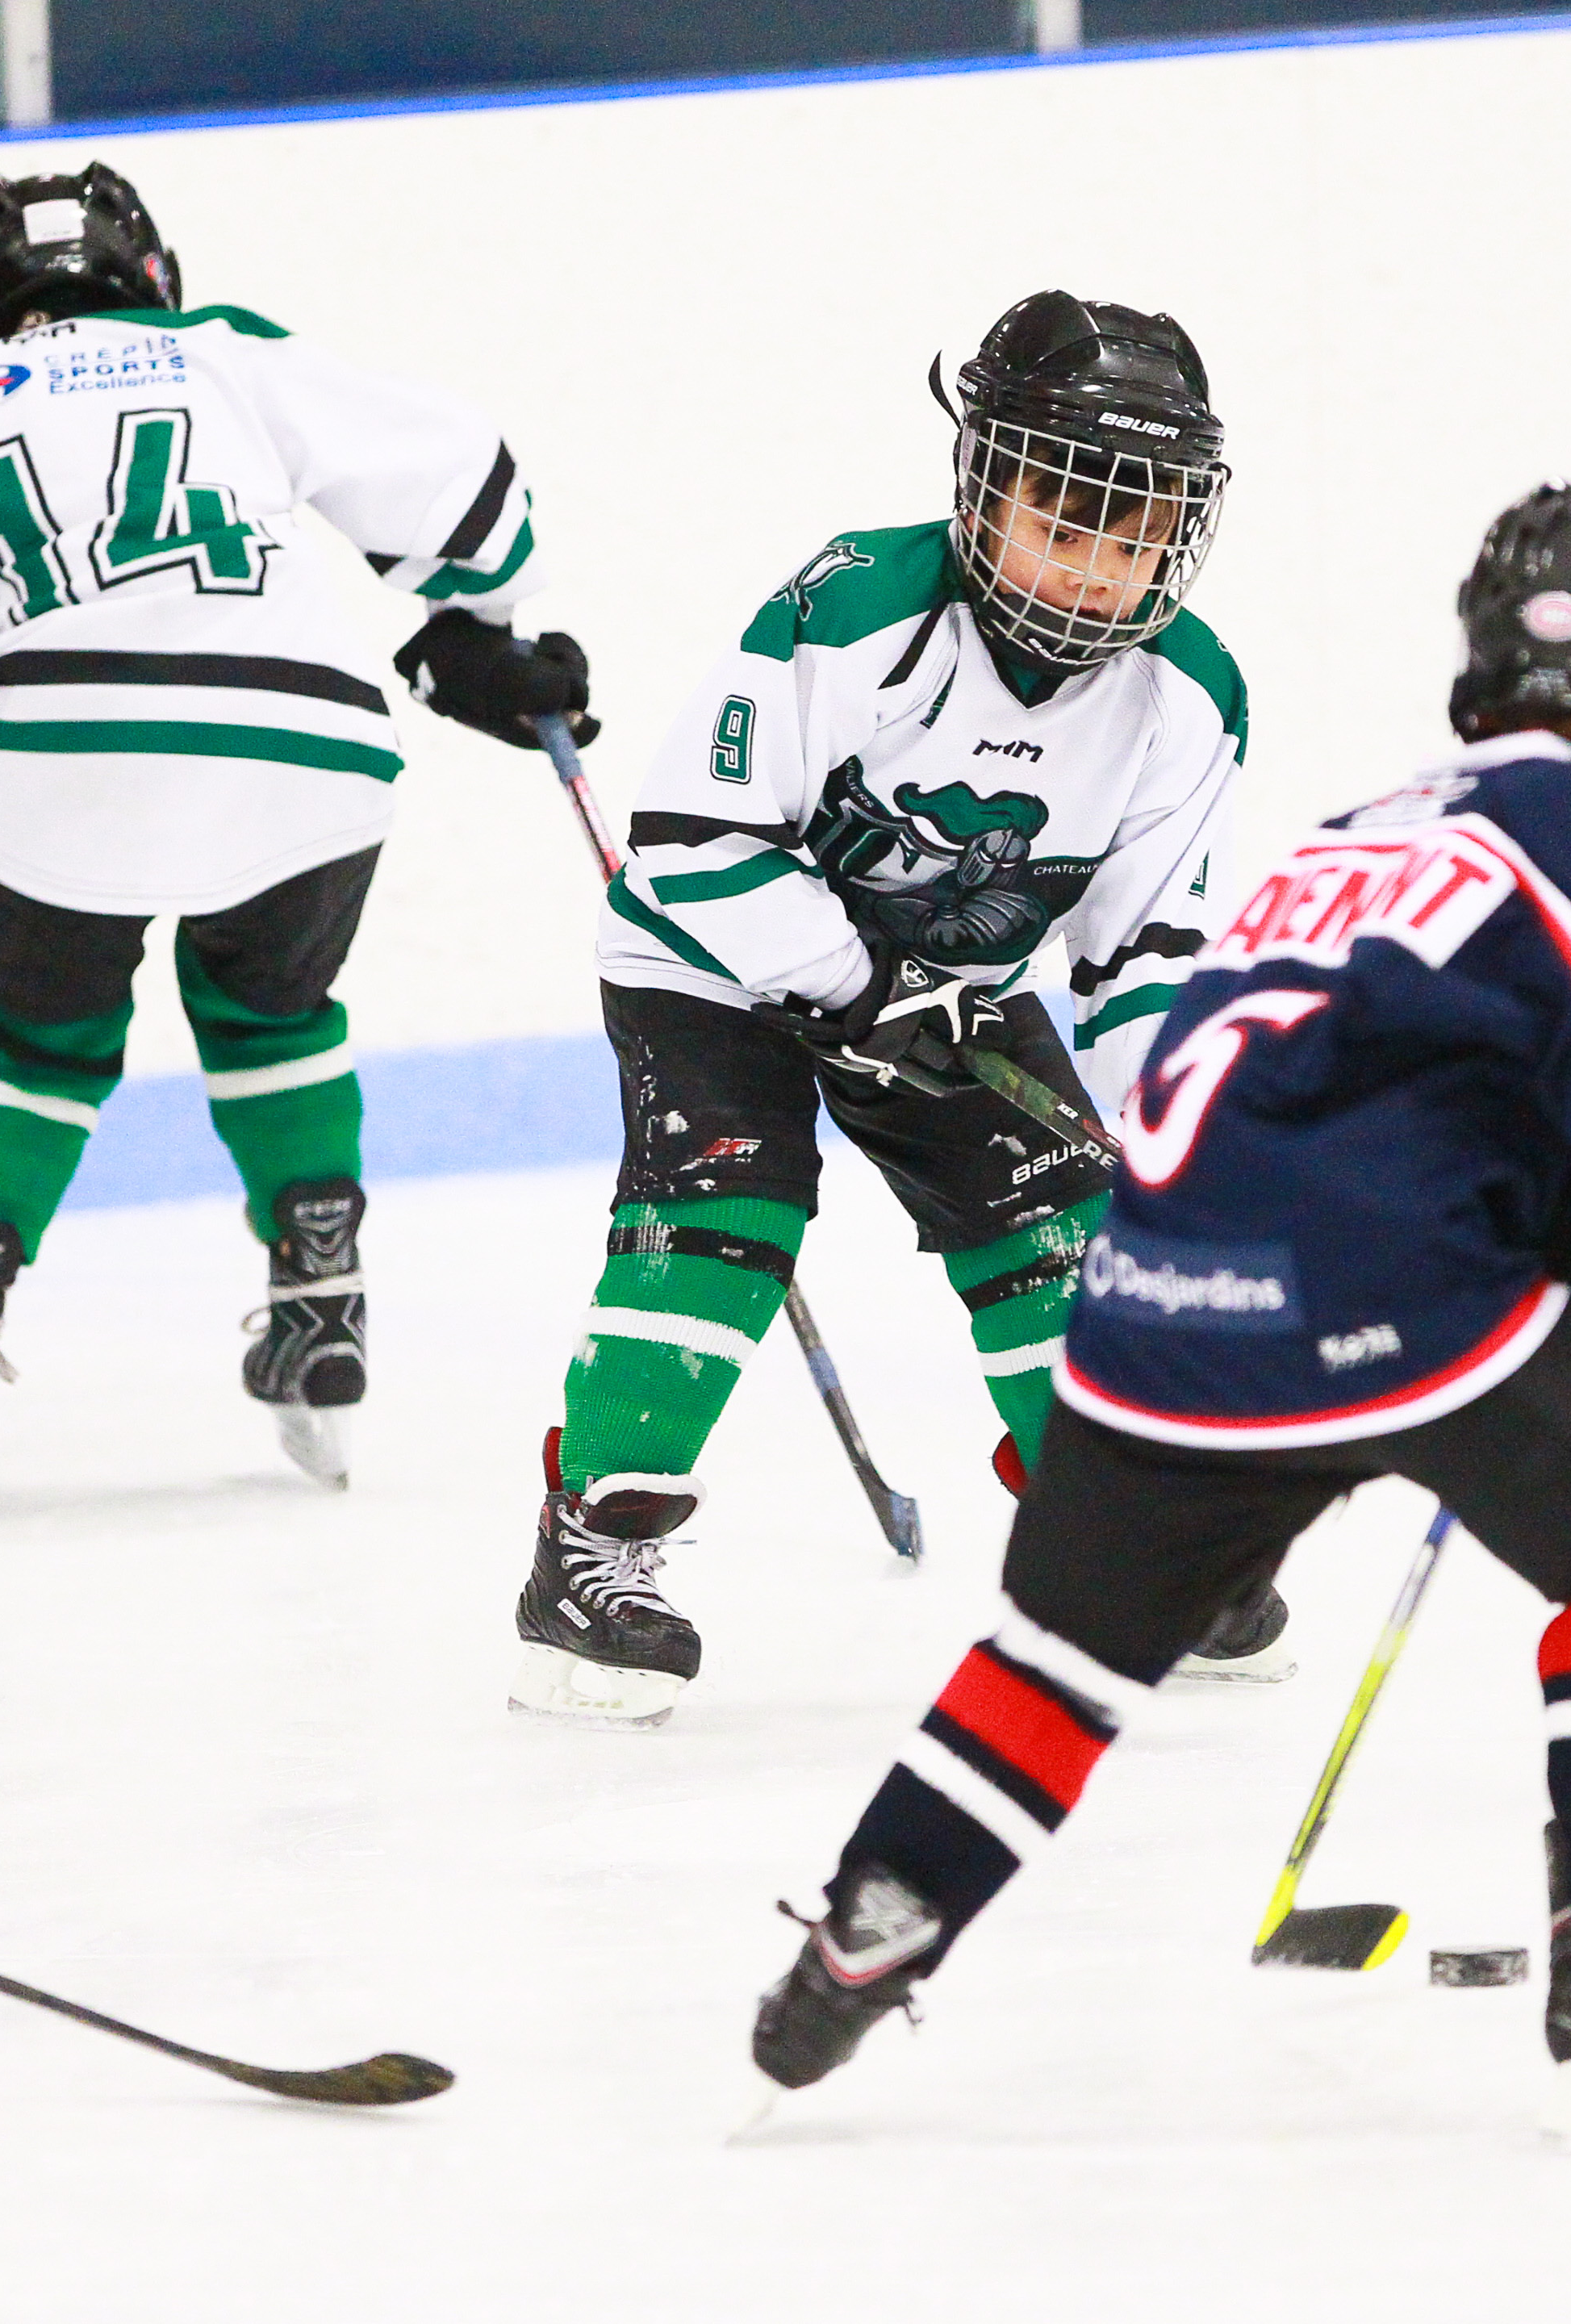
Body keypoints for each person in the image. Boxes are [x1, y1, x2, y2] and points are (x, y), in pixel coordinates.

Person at [748, 487, 1571, 2152]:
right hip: (1387, 1296)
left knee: (1058, 1659)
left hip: (1149, 1300)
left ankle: (869, 1929)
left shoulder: (1371, 824)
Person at [510, 290, 1268, 1731]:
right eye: (1066, 523)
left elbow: (1141, 957)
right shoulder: (860, 604)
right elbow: (693, 843)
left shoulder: (1190, 694)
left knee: (1066, 1244)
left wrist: (1192, 1124)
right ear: (982, 486)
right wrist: (859, 983)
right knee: (728, 1214)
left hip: (958, 998)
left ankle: (1119, 1548)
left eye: (1136, 538)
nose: (1098, 572)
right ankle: (592, 1551)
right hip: (720, 964)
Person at [0, 163, 592, 1511]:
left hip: (58, 762)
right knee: (271, 1010)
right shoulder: (221, 350)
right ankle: (321, 1290)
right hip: (305, 748)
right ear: (153, 278)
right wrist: (479, 618)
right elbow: (462, 480)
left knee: (38, 1041)